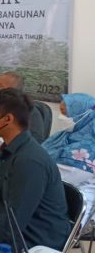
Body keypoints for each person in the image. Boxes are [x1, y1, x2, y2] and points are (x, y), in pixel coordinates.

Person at [0, 88, 70, 250]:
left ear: (8, 119)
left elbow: (12, 225)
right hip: (3, 227)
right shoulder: (8, 148)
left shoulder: (30, 161)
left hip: (31, 240)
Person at [42, 93, 95, 227]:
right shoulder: (62, 136)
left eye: (65, 113)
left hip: (65, 210)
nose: (62, 117)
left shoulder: (88, 150)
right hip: (51, 198)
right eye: (61, 112)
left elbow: (59, 179)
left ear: (83, 114)